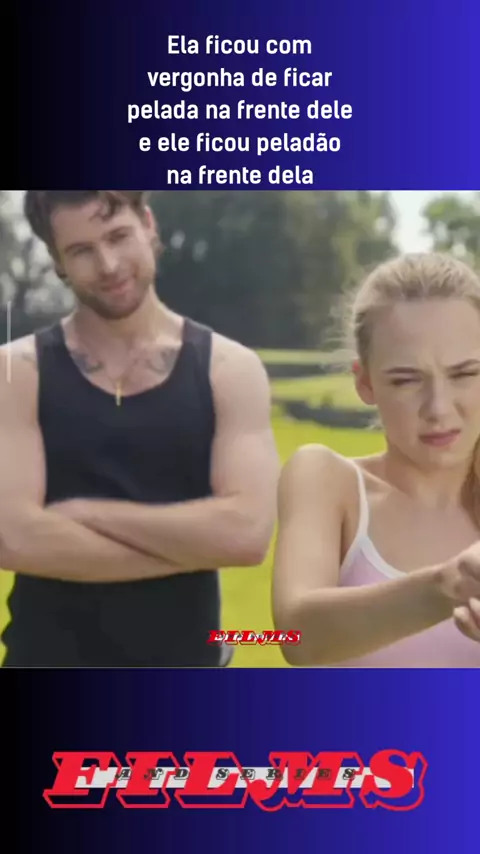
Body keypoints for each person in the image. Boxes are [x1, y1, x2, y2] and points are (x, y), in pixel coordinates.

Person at [0, 190, 279, 667]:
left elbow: (247, 535)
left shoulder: (230, 369)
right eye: (81, 250)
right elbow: (13, 538)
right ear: (58, 262)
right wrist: (189, 547)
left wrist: (87, 513)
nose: (108, 265)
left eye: (118, 236)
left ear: (148, 224)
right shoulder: (17, 372)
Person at [272, 252, 480, 668]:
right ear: (365, 382)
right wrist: (447, 587)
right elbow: (296, 636)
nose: (438, 408)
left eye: (465, 373)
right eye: (406, 380)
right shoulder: (328, 480)